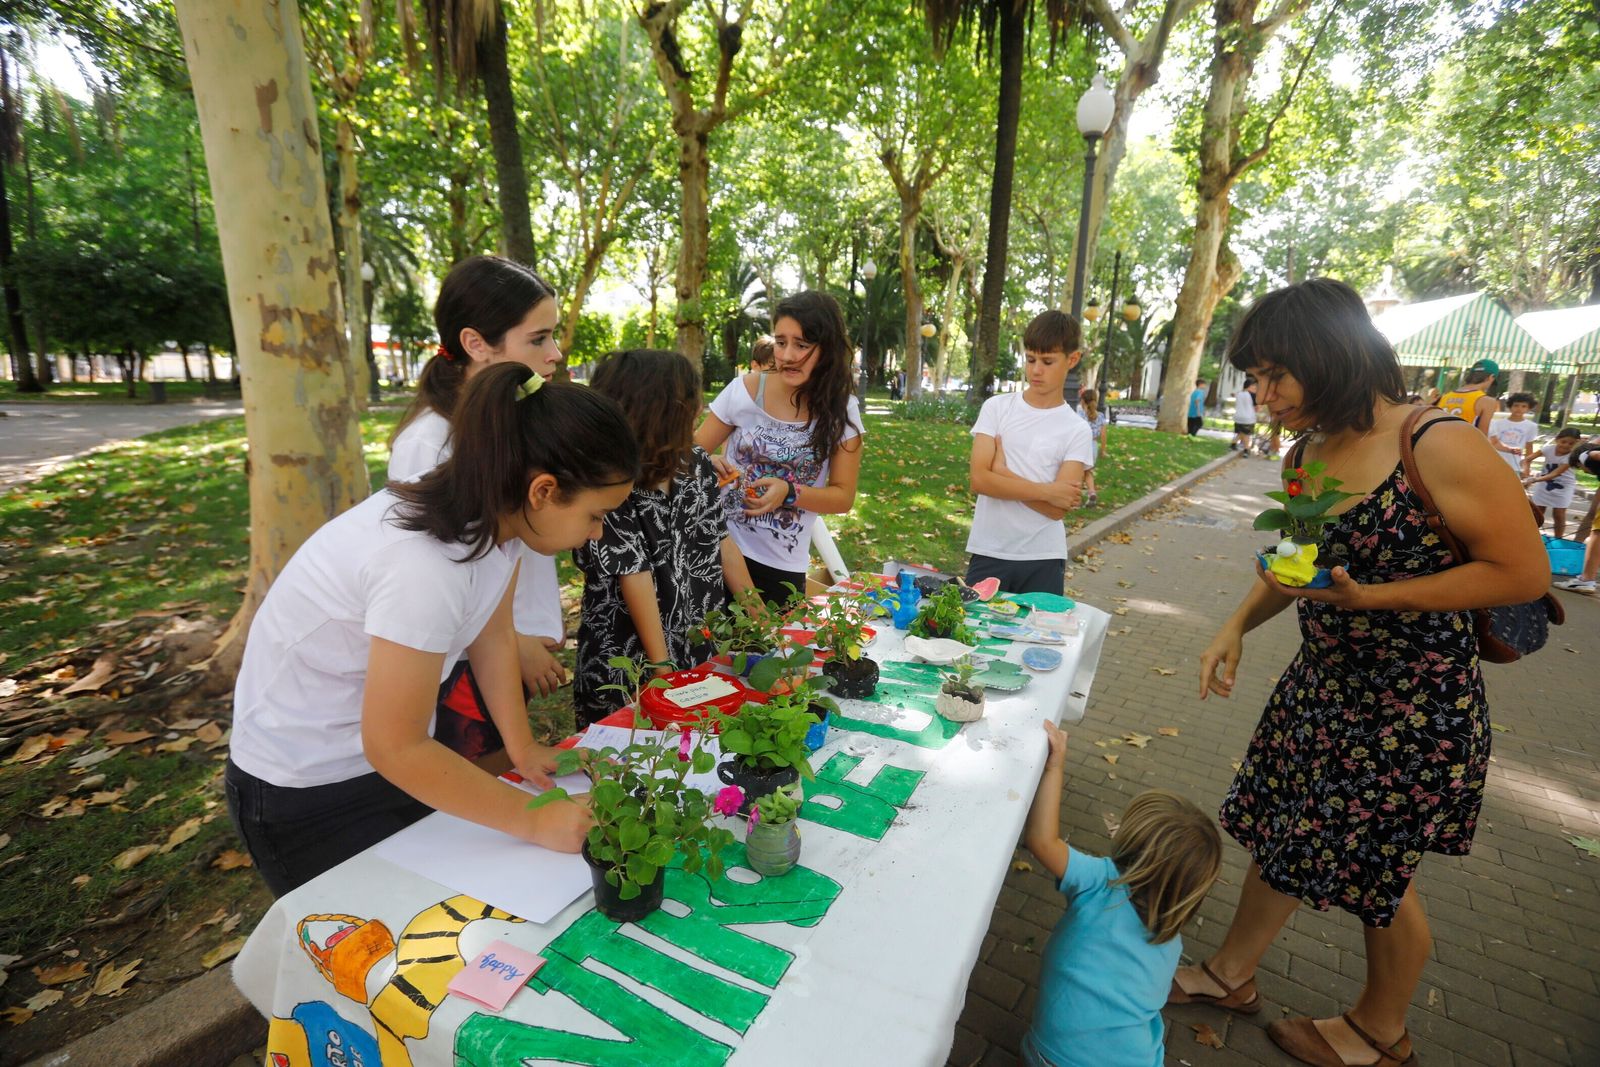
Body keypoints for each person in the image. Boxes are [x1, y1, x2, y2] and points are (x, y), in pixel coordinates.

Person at [1179, 279, 1546, 1067]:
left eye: (1274, 375)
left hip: (1413, 708)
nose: (1260, 394)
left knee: (1376, 866)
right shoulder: (1307, 452)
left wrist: (1378, 597)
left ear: (1330, 358)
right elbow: (1295, 564)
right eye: (1253, 378)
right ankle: (1230, 973)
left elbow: (1521, 570)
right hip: (1323, 688)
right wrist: (1235, 625)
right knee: (1286, 831)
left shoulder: (1437, 442)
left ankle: (1382, 1032)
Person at [226, 366, 641, 896]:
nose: (597, 532)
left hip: (388, 761)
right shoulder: (422, 566)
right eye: (595, 514)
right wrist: (535, 818)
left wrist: (522, 749)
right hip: (306, 790)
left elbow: (490, 633)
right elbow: (395, 746)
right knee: (364, 953)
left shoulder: (500, 523)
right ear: (543, 490)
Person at [388, 256, 569, 764]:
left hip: (505, 648)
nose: (555, 354)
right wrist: (512, 640)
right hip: (460, 663)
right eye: (538, 339)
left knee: (510, 769)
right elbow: (435, 585)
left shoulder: (506, 421)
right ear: (475, 343)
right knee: (475, 789)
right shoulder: (431, 446)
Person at [574, 350, 758, 725]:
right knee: (632, 756)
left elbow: (721, 542)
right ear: (662, 411)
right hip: (628, 657)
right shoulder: (608, 482)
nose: (700, 408)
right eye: (692, 401)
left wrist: (760, 618)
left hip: (694, 640)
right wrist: (663, 670)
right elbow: (633, 574)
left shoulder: (697, 463)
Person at [1022, 720, 1221, 1067]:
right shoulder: (1170, 943)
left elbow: (1042, 840)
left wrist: (1055, 766)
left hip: (1051, 1057)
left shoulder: (1101, 880)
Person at [694, 290, 865, 605]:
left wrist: (789, 492)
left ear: (827, 348)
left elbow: (843, 496)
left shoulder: (843, 411)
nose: (786, 355)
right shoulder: (744, 390)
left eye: (801, 345)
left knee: (766, 652)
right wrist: (709, 461)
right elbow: (686, 456)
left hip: (779, 568)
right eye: (780, 341)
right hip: (716, 549)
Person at [965, 310, 1092, 595]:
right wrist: (1048, 491)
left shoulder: (1076, 429)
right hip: (989, 550)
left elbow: (1057, 510)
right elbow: (979, 481)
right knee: (973, 636)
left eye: (1048, 362)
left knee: (1039, 639)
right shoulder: (997, 408)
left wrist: (1002, 473)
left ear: (1072, 360)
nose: (1036, 370)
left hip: (1044, 557)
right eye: (1031, 359)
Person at [1523, 426, 1583, 539]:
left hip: (1564, 486)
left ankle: (1558, 540)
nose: (1566, 445)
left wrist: (1534, 479)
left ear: (1576, 443)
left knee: (1559, 514)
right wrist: (1526, 473)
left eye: (1571, 443)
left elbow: (1555, 474)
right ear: (1557, 439)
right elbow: (1527, 459)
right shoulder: (1548, 449)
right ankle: (1530, 536)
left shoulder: (1571, 457)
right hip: (1544, 484)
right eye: (1563, 441)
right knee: (1537, 512)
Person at [1436, 359, 1500, 434]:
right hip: (1462, 443)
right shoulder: (1486, 401)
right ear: (1491, 377)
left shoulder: (1445, 397)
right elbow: (1482, 435)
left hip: (1437, 442)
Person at [1490, 392, 1539, 476]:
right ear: (1510, 406)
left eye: (1524, 406)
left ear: (1528, 408)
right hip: (1494, 462)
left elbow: (1529, 448)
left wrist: (1527, 468)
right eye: (1516, 405)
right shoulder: (1497, 423)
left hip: (1515, 464)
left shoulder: (1531, 426)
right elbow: (1492, 442)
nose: (1519, 409)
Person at [1079, 387, 1109, 507]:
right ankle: (1091, 492)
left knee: (1079, 473)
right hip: (1093, 446)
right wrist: (1103, 450)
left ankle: (1076, 499)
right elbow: (1103, 435)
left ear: (1083, 401)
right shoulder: (1100, 416)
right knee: (1088, 472)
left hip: (1082, 446)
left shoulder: (1080, 415)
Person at [1232, 378, 1259, 453]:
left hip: (1238, 417)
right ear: (1250, 386)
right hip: (1248, 418)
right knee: (1246, 435)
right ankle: (1246, 450)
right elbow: (1257, 408)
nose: (1255, 388)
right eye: (1254, 386)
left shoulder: (1239, 393)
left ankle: (1233, 444)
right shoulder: (1253, 395)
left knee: (1241, 433)